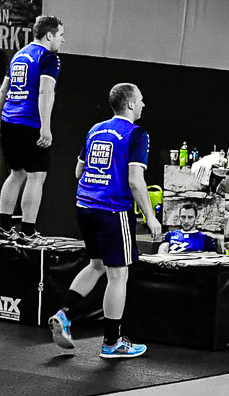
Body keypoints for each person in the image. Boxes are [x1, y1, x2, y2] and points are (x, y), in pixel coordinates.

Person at [46, 83, 160, 359]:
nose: (144, 105)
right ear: (130, 104)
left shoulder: (95, 129)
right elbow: (135, 180)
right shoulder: (137, 134)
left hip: (85, 206)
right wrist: (151, 216)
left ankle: (64, 313)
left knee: (96, 265)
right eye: (141, 100)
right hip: (112, 210)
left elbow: (78, 171)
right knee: (118, 274)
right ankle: (112, 342)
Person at [0, 16, 64, 242]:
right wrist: (45, 127)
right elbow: (45, 92)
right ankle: (28, 231)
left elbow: (3, 91)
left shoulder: (19, 55)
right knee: (36, 176)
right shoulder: (49, 58)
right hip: (31, 122)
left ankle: (3, 228)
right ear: (49, 35)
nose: (63, 40)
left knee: (16, 173)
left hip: (10, 121)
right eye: (61, 35)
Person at [158, 202, 222, 254]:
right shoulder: (169, 235)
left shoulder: (206, 239)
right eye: (183, 217)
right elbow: (161, 253)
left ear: (196, 218)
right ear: (179, 218)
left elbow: (213, 258)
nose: (186, 221)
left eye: (190, 217)